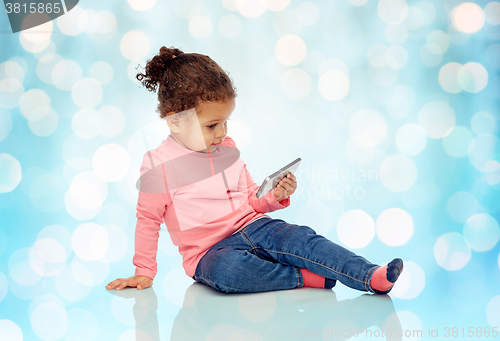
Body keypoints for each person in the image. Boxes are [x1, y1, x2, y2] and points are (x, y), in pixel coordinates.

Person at [105, 46, 403, 295]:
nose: (222, 132)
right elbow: (148, 220)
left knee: (302, 239)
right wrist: (144, 271)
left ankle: (370, 275)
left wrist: (272, 196)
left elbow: (251, 199)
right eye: (212, 125)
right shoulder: (158, 164)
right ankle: (303, 278)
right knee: (229, 273)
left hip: (255, 226)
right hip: (210, 254)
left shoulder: (228, 147)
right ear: (175, 121)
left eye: (225, 122)